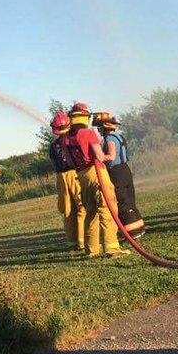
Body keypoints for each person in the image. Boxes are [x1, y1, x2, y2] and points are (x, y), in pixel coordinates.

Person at [65, 104, 129, 258]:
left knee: (90, 212)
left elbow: (69, 162)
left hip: (82, 175)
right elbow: (100, 157)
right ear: (85, 117)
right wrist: (108, 157)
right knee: (107, 208)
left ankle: (92, 250)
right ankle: (112, 248)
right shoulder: (88, 134)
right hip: (97, 173)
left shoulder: (66, 138)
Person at [92, 112, 145, 239]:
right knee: (129, 198)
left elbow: (111, 156)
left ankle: (131, 231)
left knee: (122, 200)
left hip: (116, 171)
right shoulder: (119, 136)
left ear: (104, 127)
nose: (98, 130)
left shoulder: (109, 139)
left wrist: (99, 158)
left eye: (99, 127)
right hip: (125, 169)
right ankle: (139, 228)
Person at [48, 111, 85, 250]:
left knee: (67, 209)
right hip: (75, 174)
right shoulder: (73, 140)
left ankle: (72, 241)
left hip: (60, 177)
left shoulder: (53, 146)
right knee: (82, 206)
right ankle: (83, 239)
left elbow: (53, 163)